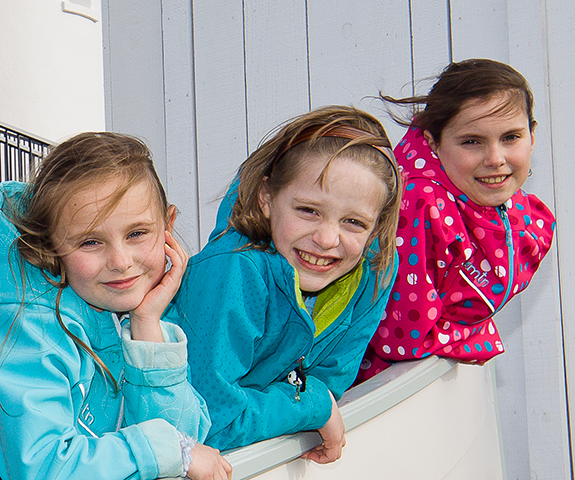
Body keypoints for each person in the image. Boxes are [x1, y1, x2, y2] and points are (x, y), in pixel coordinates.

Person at [0, 133, 233, 480]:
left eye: (137, 234)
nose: (121, 261)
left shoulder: (123, 309)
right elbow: (44, 468)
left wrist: (147, 324)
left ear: (167, 226)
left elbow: (183, 438)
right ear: (50, 246)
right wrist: (164, 450)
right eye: (90, 242)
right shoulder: (24, 325)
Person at [172, 106, 402, 458]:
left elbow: (330, 381)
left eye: (354, 222)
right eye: (308, 211)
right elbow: (210, 421)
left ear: (375, 228)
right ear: (266, 198)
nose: (327, 239)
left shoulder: (374, 269)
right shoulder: (232, 270)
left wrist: (310, 399)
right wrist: (311, 405)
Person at [357, 58, 557, 381]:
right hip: (389, 391)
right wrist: (479, 337)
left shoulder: (499, 203)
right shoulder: (420, 204)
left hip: (433, 385)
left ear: (532, 135)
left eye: (511, 137)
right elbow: (402, 337)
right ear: (433, 142)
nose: (495, 159)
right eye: (471, 142)